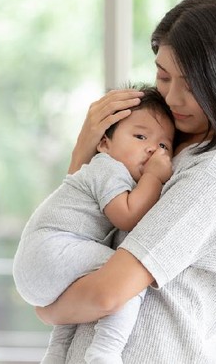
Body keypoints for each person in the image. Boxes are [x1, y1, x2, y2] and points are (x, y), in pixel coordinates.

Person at [33, 0, 216, 362]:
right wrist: (84, 153)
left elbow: (106, 293)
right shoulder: (161, 146)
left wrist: (50, 308)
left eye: (192, 84)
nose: (173, 98)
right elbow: (75, 226)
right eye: (164, 76)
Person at [13, 86, 175, 364]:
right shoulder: (107, 168)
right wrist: (155, 178)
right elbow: (126, 216)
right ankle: (105, 352)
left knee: (80, 294)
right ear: (104, 143)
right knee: (126, 280)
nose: (152, 148)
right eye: (139, 136)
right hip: (51, 248)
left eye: (163, 146)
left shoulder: (110, 172)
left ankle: (55, 356)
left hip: (39, 262)